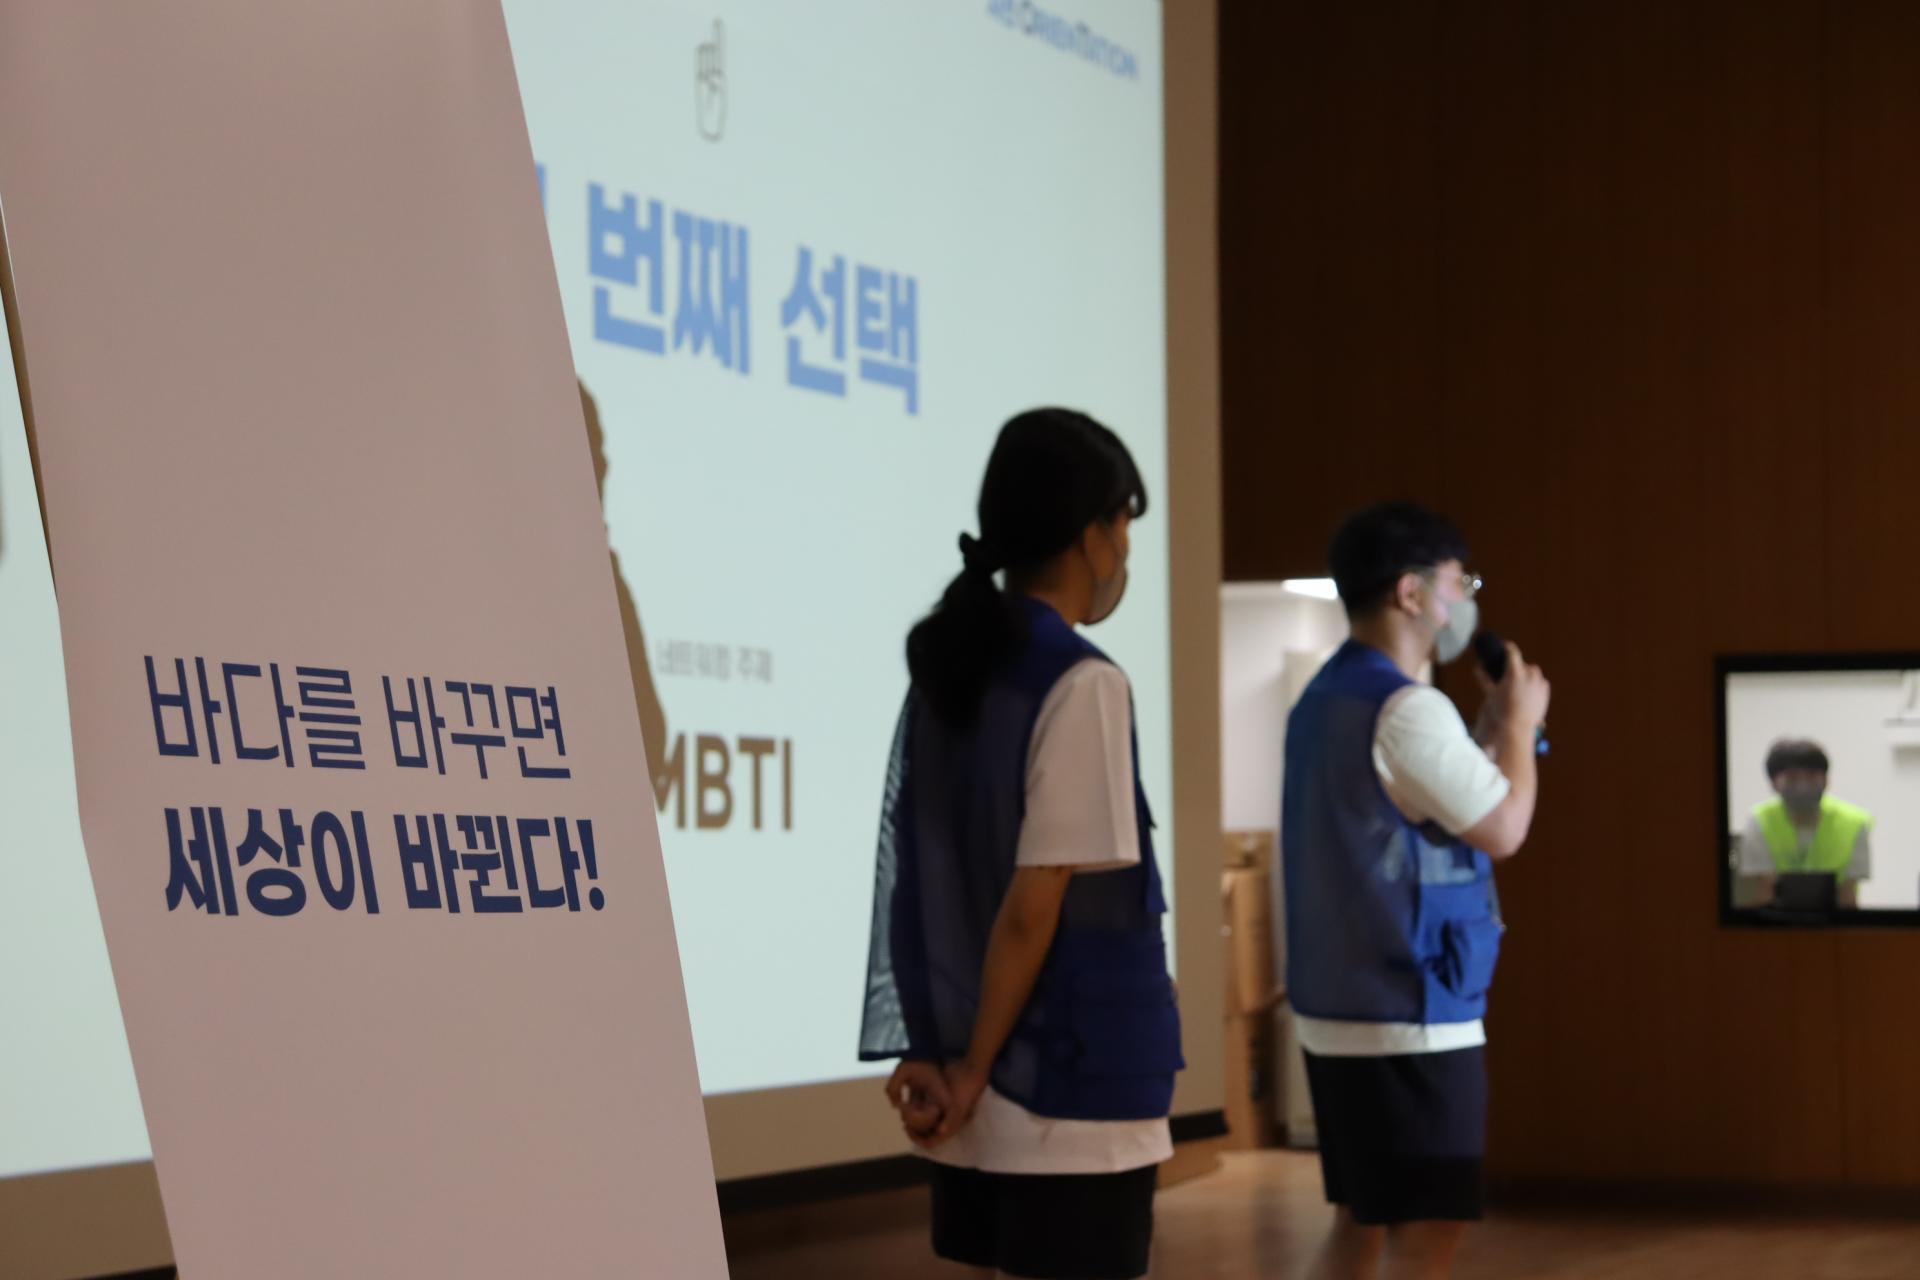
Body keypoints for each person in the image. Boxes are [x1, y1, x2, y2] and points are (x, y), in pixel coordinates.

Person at [858, 408, 1182, 1280]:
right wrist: (970, 1070)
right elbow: (1031, 910)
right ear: (1091, 535)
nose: (1124, 549)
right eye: (1123, 524)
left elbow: (917, 886)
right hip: (1064, 1093)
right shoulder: (1083, 681)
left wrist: (944, 1056)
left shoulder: (953, 673)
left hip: (980, 1090)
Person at [1282, 502, 1550, 1280]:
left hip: (1342, 1009)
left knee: (1361, 1225)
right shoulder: (1406, 706)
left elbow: (1424, 803)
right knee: (1428, 1232)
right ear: (1411, 592)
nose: (1465, 600)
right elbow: (1504, 826)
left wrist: (1494, 730)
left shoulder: (1326, 697)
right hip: (1410, 1012)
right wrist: (1521, 724)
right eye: (1459, 582)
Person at [1737, 738, 1873, 909]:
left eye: (1811, 775)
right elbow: (1764, 893)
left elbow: (1848, 896)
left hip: (1836, 920)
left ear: (1826, 779)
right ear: (1773, 782)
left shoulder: (1854, 822)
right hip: (1775, 920)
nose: (1803, 785)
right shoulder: (1759, 821)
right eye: (1792, 777)